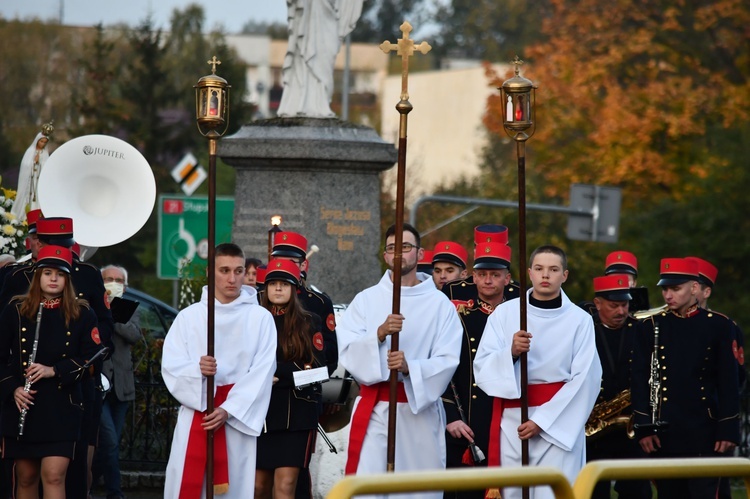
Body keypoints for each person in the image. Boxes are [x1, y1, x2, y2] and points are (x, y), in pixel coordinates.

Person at [337, 223, 462, 499]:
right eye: (392, 248)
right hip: (375, 412)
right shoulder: (366, 300)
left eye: (405, 247)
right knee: (368, 490)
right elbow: (346, 349)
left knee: (415, 490)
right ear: (384, 256)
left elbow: (448, 359)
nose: (398, 254)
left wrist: (411, 367)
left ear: (419, 254)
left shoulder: (440, 306)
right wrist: (378, 335)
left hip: (418, 413)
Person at [473, 245, 602, 499]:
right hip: (512, 423)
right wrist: (510, 352)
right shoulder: (505, 314)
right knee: (513, 491)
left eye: (553, 270)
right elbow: (483, 366)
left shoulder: (580, 320)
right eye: (540, 269)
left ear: (564, 275)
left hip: (559, 426)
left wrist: (541, 422)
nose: (546, 275)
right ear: (530, 273)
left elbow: (586, 378)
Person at [162, 243, 277, 498]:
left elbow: (263, 371)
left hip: (236, 420)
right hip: (198, 414)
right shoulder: (189, 317)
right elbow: (170, 365)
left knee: (234, 488)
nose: (232, 278)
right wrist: (197, 370)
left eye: (238, 271)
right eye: (224, 270)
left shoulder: (260, 319)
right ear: (210, 272)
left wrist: (228, 409)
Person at [0, 245, 103, 499]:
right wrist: (12, 388)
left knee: (54, 475)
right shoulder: (15, 310)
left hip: (61, 406)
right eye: (47, 273)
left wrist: (54, 370)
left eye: (59, 274)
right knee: (26, 477)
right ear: (38, 277)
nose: (53, 279)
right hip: (24, 404)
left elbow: (94, 357)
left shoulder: (82, 313)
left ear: (68, 279)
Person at [631, 258, 740, 499]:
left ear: (694, 288)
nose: (668, 295)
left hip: (705, 430)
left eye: (675, 288)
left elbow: (729, 381)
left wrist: (728, 429)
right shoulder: (651, 325)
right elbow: (639, 378)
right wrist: (644, 427)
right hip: (665, 431)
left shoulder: (720, 326)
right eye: (665, 289)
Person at [270, 231, 337, 499]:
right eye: (279, 259)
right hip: (263, 407)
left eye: (291, 260)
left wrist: (284, 375)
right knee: (258, 484)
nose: (284, 265)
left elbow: (327, 362)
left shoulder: (318, 305)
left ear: (304, 264)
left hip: (301, 403)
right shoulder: (258, 304)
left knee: (294, 482)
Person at [442, 242, 512, 499]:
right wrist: (450, 416)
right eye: (482, 274)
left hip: (507, 422)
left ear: (507, 278)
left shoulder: (518, 316)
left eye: (495, 275)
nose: (488, 281)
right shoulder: (458, 315)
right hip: (464, 421)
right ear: (473, 276)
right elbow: (442, 367)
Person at [255, 259, 326, 499]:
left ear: (295, 289)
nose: (277, 288)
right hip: (262, 413)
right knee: (258, 487)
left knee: (286, 486)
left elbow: (318, 369)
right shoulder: (254, 320)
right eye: (272, 283)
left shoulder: (310, 322)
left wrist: (279, 374)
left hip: (298, 414)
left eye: (284, 284)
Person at [584, 274, 651, 499]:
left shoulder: (641, 329)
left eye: (625, 305)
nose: (621, 312)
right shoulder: (584, 330)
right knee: (593, 491)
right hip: (593, 429)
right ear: (597, 303)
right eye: (614, 306)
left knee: (637, 492)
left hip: (630, 427)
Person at [92, 265, 142, 499]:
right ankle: (115, 493)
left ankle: (87, 482)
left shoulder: (129, 308)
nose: (114, 282)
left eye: (118, 280)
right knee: (109, 441)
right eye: (109, 279)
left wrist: (113, 315)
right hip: (97, 385)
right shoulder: (91, 304)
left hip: (121, 387)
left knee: (111, 445)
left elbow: (134, 335)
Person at [278, 0, 364, 118]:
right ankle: (302, 102)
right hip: (310, 11)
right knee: (304, 55)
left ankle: (319, 101)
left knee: (326, 54)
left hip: (329, 14)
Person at [11, 125, 52, 222]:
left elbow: (46, 168)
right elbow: (25, 165)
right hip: (29, 183)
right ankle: (22, 217)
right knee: (26, 200)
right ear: (37, 141)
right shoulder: (30, 151)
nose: (42, 144)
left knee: (37, 200)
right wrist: (34, 161)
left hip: (38, 182)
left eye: (45, 142)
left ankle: (36, 218)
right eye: (41, 141)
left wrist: (40, 162)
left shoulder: (45, 153)